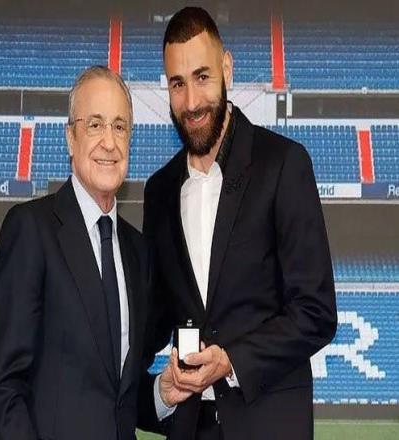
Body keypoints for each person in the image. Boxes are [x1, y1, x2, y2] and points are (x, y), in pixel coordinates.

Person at [138, 7, 337, 440]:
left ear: (227, 68)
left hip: (269, 426)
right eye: (177, 84)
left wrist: (231, 360)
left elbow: (316, 313)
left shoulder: (284, 165)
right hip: (189, 427)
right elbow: (152, 322)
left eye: (202, 77)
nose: (191, 102)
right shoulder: (159, 191)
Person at [0, 66, 150, 440]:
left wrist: (163, 394)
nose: (109, 142)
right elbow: (3, 386)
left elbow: (120, 392)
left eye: (120, 126)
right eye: (95, 125)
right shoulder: (30, 229)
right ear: (70, 138)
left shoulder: (137, 252)